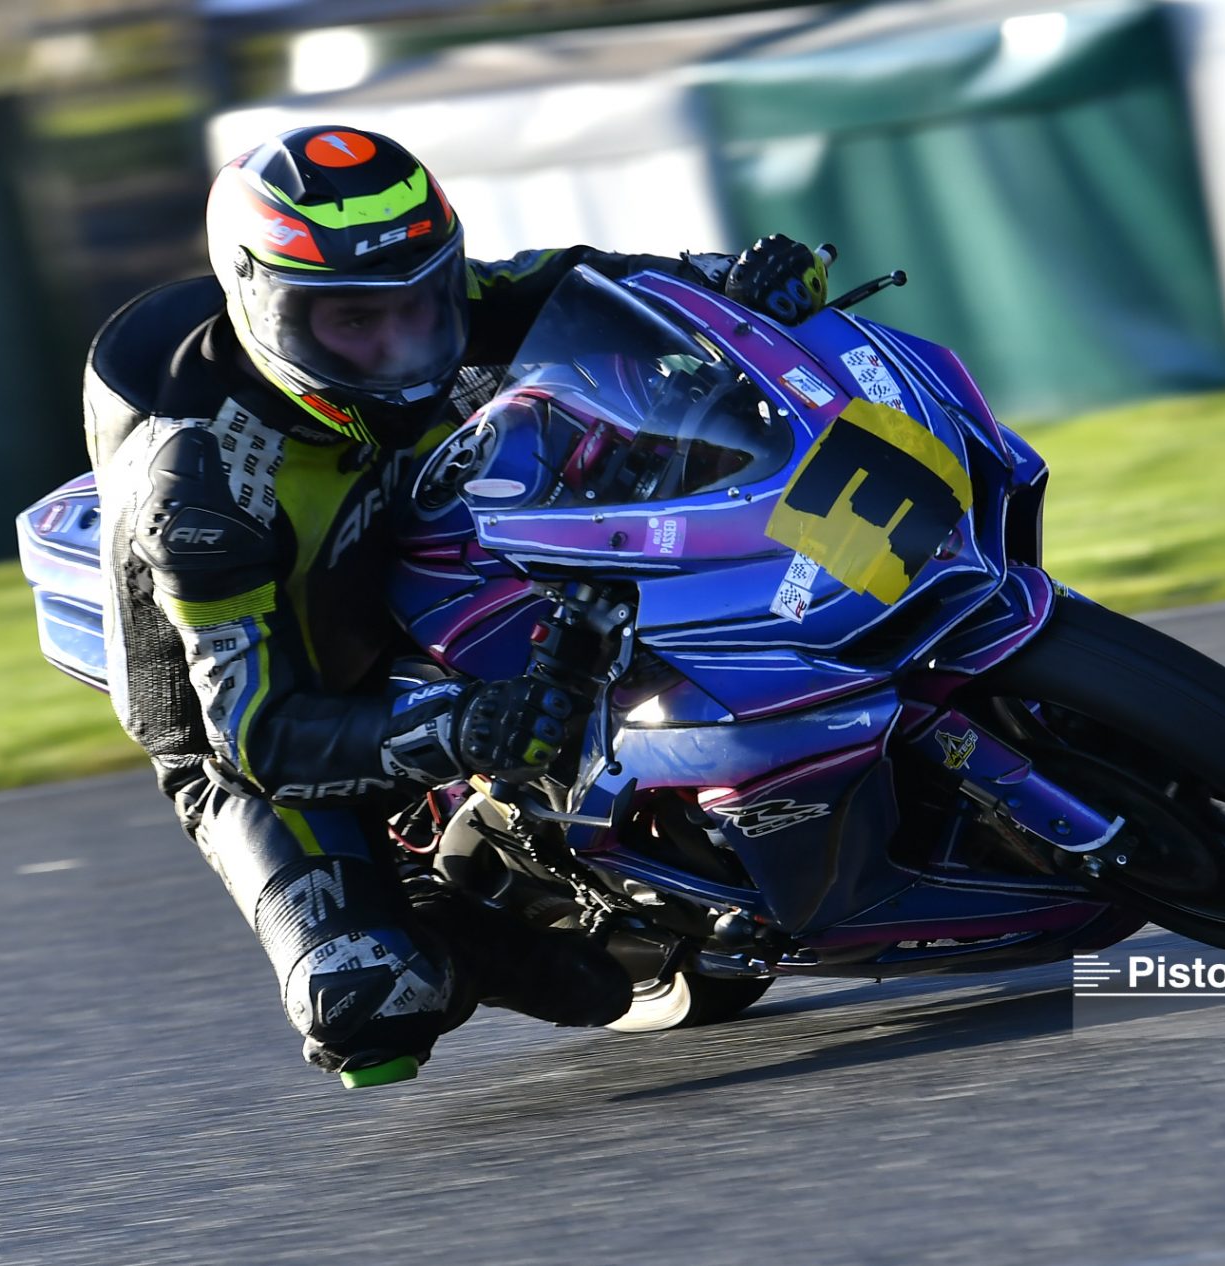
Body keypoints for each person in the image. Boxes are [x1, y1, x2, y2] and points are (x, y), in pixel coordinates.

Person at [82, 124, 829, 1088]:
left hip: (411, 546)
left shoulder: (446, 298)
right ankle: (450, 904)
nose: (398, 348)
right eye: (352, 323)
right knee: (368, 1002)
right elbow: (260, 735)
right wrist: (467, 728)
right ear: (264, 308)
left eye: (419, 305)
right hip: (267, 711)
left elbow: (589, 287)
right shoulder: (204, 488)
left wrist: (736, 288)